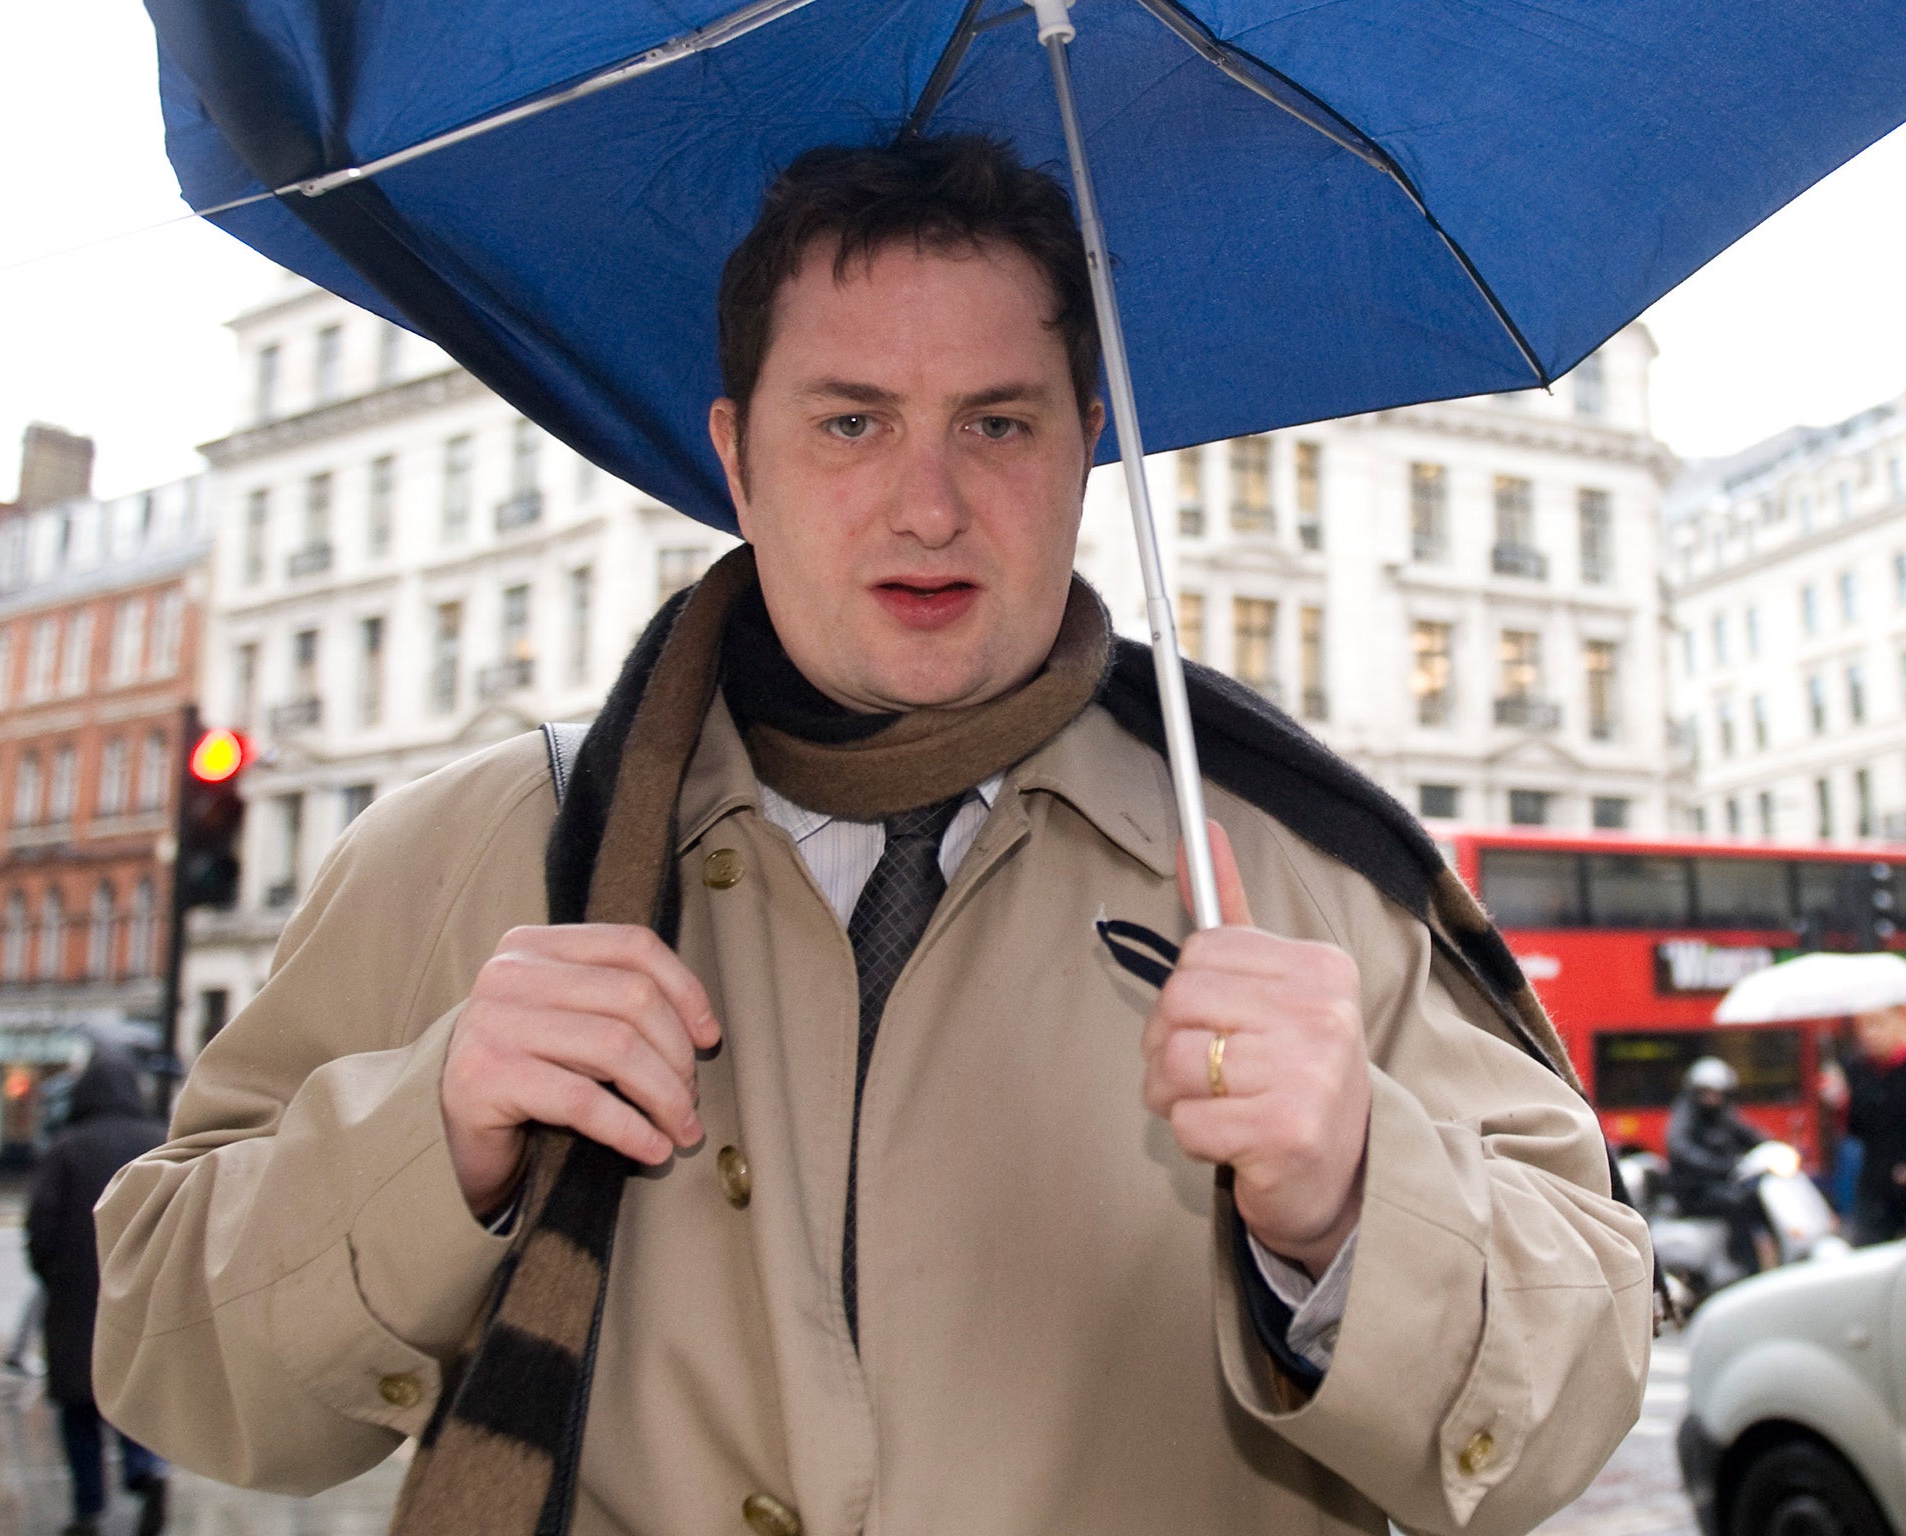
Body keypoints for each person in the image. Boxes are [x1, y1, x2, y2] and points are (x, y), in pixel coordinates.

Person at [94, 135, 1651, 1536]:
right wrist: (431, 1136)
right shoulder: (474, 849)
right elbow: (167, 1363)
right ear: (736, 456)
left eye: (997, 422)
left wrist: (1358, 1201)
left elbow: (1564, 1417)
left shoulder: (1317, 876)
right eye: (850, 421)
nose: (928, 503)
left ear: (1083, 446)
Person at [28, 1046, 169, 1536]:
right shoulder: (158, 1141)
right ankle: (143, 1468)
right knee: (134, 1395)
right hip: (142, 1294)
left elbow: (40, 1225)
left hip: (74, 1298)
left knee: (79, 1407)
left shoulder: (66, 1147)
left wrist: (52, 1273)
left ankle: (89, 1509)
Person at [1664, 1055, 1770, 1274]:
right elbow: (1681, 1148)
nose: (1713, 1099)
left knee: (1755, 1199)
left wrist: (1772, 1147)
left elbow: (1748, 1133)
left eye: (1718, 1093)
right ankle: (1742, 1264)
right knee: (1738, 1202)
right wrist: (1719, 1166)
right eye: (1706, 1093)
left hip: (1717, 1183)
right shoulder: (1685, 1115)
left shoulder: (1723, 1115)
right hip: (1694, 1191)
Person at [1840, 1007, 1906, 1244]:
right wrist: (1842, 1103)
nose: (1869, 1034)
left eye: (1877, 1024)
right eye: (1863, 1027)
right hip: (1875, 1180)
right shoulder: (1858, 1069)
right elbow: (1857, 1129)